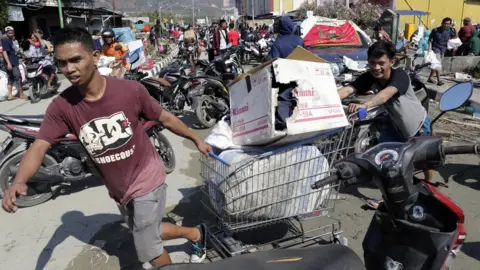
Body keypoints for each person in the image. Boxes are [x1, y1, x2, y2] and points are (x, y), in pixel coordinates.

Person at [1, 27, 211, 266]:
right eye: (62, 63)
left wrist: (197, 139)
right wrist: (19, 180)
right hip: (118, 187)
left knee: (149, 250)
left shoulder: (129, 91)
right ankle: (196, 233)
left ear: (96, 57)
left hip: (147, 177)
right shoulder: (62, 106)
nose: (69, 69)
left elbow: (165, 118)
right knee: (145, 231)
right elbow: (39, 146)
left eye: (76, 60)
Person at [337, 40, 432, 209]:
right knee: (385, 162)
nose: (376, 68)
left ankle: (430, 186)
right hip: (394, 124)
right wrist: (323, 101)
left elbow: (385, 95)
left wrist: (364, 105)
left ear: (392, 62)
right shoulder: (369, 77)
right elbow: (348, 90)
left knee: (425, 160)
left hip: (417, 124)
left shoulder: (400, 75)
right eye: (372, 63)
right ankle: (388, 198)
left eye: (381, 63)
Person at [1, 26, 27, 101]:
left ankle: (10, 95)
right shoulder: (6, 40)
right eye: (9, 32)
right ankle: (21, 94)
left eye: (12, 32)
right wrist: (9, 63)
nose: (11, 33)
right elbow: (4, 52)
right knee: (18, 77)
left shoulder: (9, 40)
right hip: (11, 62)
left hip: (11, 62)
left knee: (11, 78)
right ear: (6, 33)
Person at [428, 17, 455, 86]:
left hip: (443, 49)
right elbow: (430, 39)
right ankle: (439, 80)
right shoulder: (435, 30)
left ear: (450, 25)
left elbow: (455, 38)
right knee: (438, 64)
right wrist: (429, 48)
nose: (446, 25)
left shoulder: (450, 31)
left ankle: (430, 78)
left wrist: (455, 30)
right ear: (442, 23)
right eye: (445, 23)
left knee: (435, 64)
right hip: (435, 48)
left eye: (448, 24)